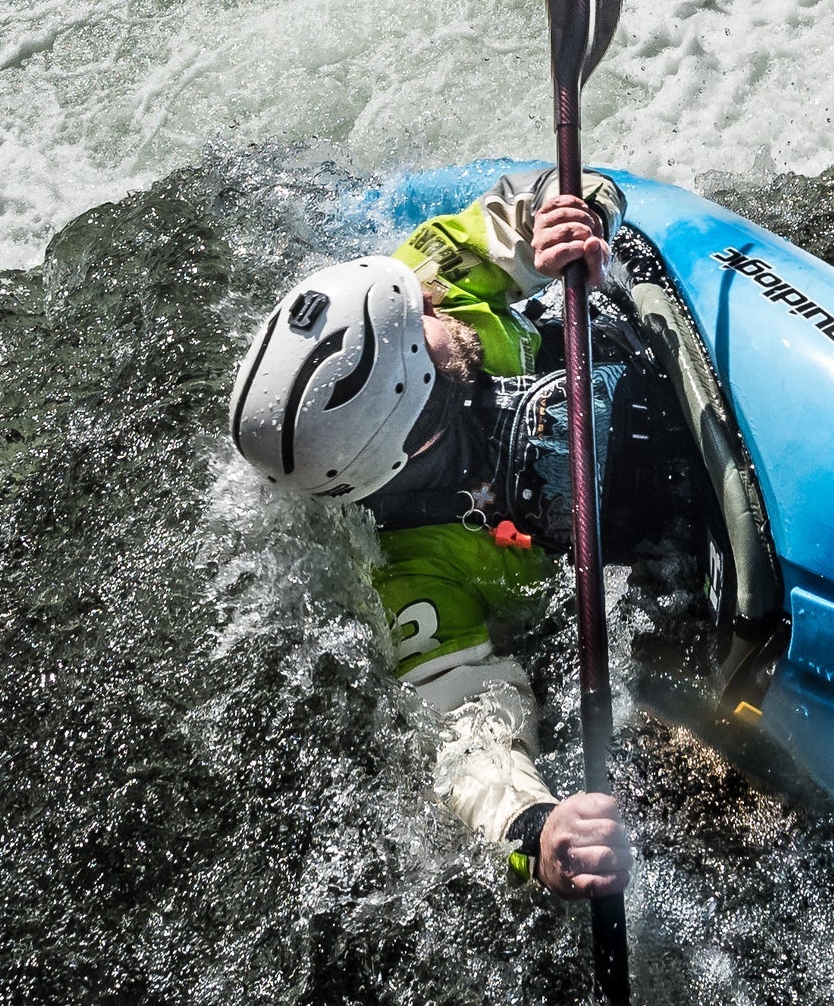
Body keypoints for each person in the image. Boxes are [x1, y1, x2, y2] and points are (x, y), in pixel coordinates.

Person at [226, 170, 629, 902]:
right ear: (411, 429)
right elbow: (468, 734)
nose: (434, 306)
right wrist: (536, 833)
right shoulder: (411, 570)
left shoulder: (413, 287)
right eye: (424, 333)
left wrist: (572, 220)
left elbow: (548, 198)